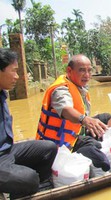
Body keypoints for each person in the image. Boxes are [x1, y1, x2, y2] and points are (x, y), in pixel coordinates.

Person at [36, 54, 111, 174]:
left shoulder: (78, 86)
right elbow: (66, 109)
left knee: (105, 117)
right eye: (82, 70)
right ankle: (84, 152)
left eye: (89, 70)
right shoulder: (61, 90)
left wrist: (89, 121)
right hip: (59, 144)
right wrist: (85, 120)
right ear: (69, 71)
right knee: (100, 156)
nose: (87, 75)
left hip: (74, 132)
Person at [0, 48, 57, 198]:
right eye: (13, 71)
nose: (17, 76)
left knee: (49, 148)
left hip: (7, 151)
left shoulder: (2, 94)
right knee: (29, 178)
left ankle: (36, 190)